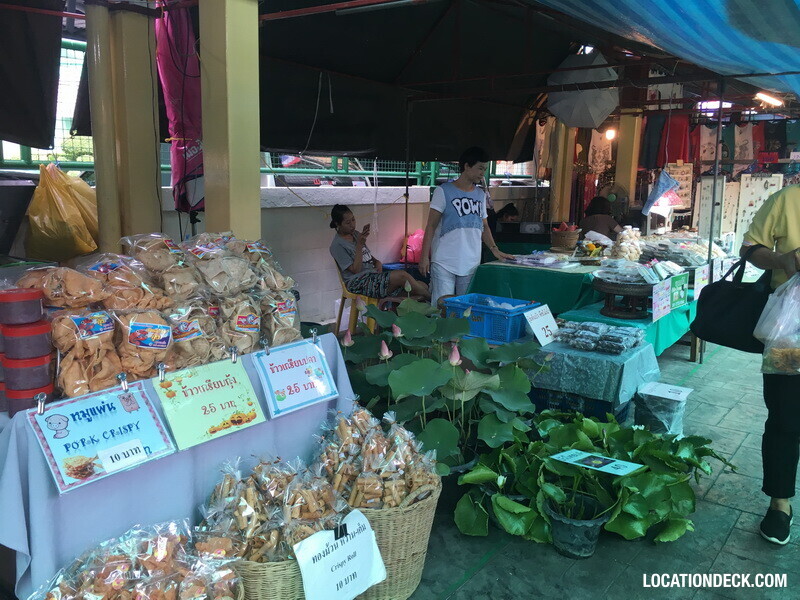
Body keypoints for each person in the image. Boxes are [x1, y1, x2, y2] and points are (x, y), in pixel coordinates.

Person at [740, 184, 800, 545]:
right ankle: (780, 504)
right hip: (790, 334)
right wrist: (783, 260)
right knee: (785, 418)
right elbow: (750, 248)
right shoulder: (787, 199)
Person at [419, 146, 513, 306]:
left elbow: (484, 226)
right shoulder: (443, 191)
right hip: (444, 261)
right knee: (441, 307)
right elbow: (431, 226)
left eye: (484, 169)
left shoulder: (480, 195)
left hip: (471, 262)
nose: (482, 173)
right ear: (467, 166)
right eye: (480, 168)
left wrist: (495, 249)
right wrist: (423, 257)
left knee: (466, 308)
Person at [329, 204, 430, 300]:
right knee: (402, 276)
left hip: (373, 276)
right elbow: (356, 269)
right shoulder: (337, 245)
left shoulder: (355, 234)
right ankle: (433, 300)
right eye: (348, 223)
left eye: (353, 220)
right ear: (338, 224)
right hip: (358, 282)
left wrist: (377, 262)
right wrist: (359, 245)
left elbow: (367, 256)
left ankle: (394, 310)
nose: (352, 225)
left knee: (422, 286)